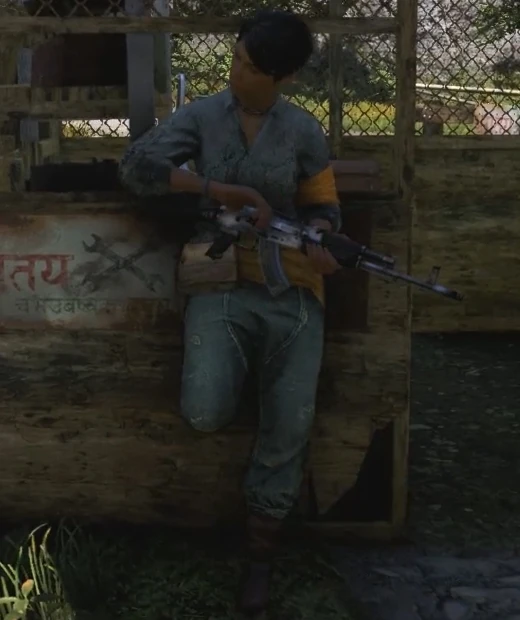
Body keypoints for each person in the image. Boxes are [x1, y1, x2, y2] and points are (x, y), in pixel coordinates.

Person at [118, 9, 343, 615]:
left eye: (250, 67)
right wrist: (219, 191)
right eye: (237, 58)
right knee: (205, 409)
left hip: (294, 290)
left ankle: (260, 555)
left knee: (289, 423)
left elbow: (324, 207)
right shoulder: (202, 117)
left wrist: (322, 237)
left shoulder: (302, 131)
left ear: (283, 77)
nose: (235, 71)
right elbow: (135, 168)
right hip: (220, 279)